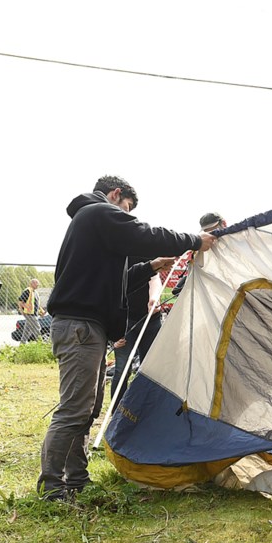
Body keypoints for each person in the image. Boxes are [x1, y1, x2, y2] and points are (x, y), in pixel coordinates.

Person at [39, 175, 216, 501]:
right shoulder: (98, 212)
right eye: (127, 208)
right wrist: (193, 240)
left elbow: (115, 284)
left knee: (88, 408)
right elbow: (144, 234)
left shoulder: (90, 225)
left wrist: (150, 267)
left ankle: (76, 478)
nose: (127, 214)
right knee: (74, 409)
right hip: (80, 327)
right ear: (116, 195)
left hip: (86, 327)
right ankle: (51, 485)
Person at [111, 267, 165, 405]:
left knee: (149, 370)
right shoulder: (118, 256)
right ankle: (117, 410)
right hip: (124, 322)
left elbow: (154, 277)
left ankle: (144, 410)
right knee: (121, 369)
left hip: (151, 320)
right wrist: (114, 333)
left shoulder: (149, 250)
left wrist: (153, 298)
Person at [172, 212, 226, 296]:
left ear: (224, 224)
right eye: (207, 232)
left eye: (213, 230)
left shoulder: (237, 240)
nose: (211, 235)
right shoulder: (203, 248)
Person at [17, 278, 42, 342]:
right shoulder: (27, 291)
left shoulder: (35, 292)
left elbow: (37, 304)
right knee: (37, 328)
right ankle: (40, 343)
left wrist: (41, 312)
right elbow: (20, 302)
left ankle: (22, 345)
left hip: (34, 313)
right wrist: (24, 309)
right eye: (37, 283)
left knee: (27, 331)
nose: (38, 285)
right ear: (32, 283)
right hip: (29, 314)